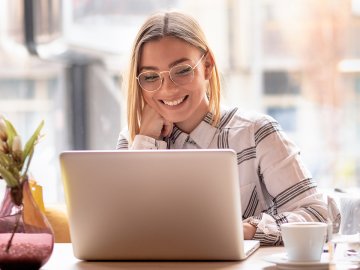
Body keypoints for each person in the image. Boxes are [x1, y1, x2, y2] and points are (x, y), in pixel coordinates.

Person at [116, 10, 340, 245]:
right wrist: (147, 140)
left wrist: (247, 230)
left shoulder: (256, 133)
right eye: (151, 77)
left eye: (182, 71)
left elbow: (318, 215)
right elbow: (121, 230)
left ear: (208, 66)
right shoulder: (133, 140)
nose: (168, 89)